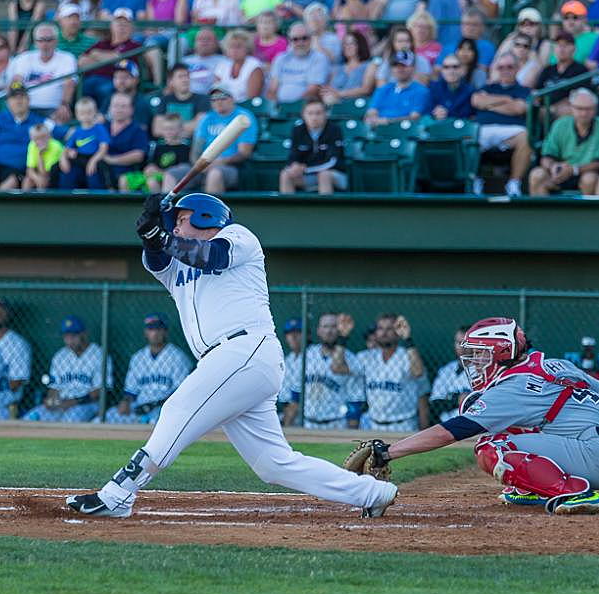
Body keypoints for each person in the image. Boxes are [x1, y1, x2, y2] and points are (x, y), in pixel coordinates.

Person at [65, 192, 399, 518]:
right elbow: (157, 258)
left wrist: (162, 236)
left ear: (205, 217)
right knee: (273, 464)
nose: (176, 228)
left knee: (178, 409)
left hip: (244, 350)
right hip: (229, 362)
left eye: (181, 220)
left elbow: (211, 257)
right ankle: (372, 493)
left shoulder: (238, 237)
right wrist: (152, 233)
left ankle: (118, 493)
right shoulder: (176, 265)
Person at [349, 317, 599, 514]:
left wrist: (388, 452)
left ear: (500, 354)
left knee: (490, 447)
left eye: (480, 354)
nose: (475, 362)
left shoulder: (512, 386)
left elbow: (451, 431)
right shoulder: (552, 363)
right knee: (510, 430)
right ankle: (535, 487)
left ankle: (576, 493)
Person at [163, 85, 258, 193]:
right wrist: (200, 166)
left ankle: (210, 210)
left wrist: (220, 162)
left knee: (214, 174)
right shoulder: (207, 118)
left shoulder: (243, 117)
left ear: (232, 98)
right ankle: (166, 208)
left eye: (222, 97)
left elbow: (244, 153)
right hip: (203, 166)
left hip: (233, 167)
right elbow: (196, 150)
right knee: (171, 174)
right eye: (214, 99)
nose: (218, 102)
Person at [103, 314, 193, 424]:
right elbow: (131, 391)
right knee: (108, 416)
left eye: (158, 329)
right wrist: (125, 402)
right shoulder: (138, 357)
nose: (154, 333)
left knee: (156, 421)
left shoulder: (178, 357)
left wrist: (153, 405)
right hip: (139, 406)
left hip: (165, 407)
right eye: (151, 329)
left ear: (165, 332)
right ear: (145, 332)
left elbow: (180, 393)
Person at [25, 315, 113, 423]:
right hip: (61, 403)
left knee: (70, 419)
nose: (69, 340)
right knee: (31, 417)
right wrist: (51, 400)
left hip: (86, 404)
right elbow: (54, 388)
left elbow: (101, 390)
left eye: (73, 336)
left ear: (84, 334)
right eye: (66, 336)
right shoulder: (60, 356)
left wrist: (74, 402)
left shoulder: (99, 354)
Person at [471, 52, 533, 197]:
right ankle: (474, 181)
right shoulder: (488, 87)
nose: (505, 71)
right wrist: (506, 100)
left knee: (526, 137)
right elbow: (476, 101)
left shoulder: (524, 90)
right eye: (501, 67)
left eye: (510, 67)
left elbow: (519, 108)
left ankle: (513, 183)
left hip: (511, 131)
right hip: (483, 130)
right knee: (468, 136)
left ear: (518, 68)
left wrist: (490, 104)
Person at [529, 88, 599, 196]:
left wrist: (574, 170)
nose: (584, 113)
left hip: (586, 173)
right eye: (579, 108)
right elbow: (547, 156)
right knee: (537, 175)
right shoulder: (560, 124)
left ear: (595, 109)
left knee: (590, 179)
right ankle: (542, 213)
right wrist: (553, 167)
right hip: (559, 173)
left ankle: (586, 213)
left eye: (588, 109)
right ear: (571, 108)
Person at [357, 314, 428, 432]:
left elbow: (418, 372)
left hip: (403, 425)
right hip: (374, 424)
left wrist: (407, 339)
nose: (384, 333)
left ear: (397, 332)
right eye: (380, 328)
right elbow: (338, 368)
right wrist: (342, 337)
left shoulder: (407, 355)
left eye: (389, 329)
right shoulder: (366, 357)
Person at [296, 312, 366, 430]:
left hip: (337, 423)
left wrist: (352, 431)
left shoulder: (352, 359)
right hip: (307, 422)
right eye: (325, 327)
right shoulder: (306, 355)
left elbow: (355, 400)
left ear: (340, 330)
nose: (329, 331)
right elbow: (295, 395)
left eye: (333, 327)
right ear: (318, 330)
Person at [10, 23, 78, 123]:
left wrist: (64, 104)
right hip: (26, 108)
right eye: (41, 40)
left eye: (49, 40)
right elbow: (16, 81)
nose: (45, 44)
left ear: (56, 41)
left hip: (53, 108)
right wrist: (18, 104)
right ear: (35, 42)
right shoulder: (24, 58)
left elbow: (69, 83)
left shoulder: (67, 58)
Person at [279, 98, 347, 194]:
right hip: (308, 175)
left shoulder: (334, 130)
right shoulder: (297, 130)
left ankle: (324, 208)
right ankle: (288, 208)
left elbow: (332, 162)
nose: (314, 117)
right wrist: (294, 165)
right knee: (285, 174)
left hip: (335, 174)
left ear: (325, 114)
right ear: (303, 115)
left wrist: (305, 169)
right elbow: (293, 155)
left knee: (324, 175)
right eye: (310, 113)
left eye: (318, 113)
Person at [79, 8, 143, 107]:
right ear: (112, 26)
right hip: (91, 79)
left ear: (131, 28)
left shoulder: (133, 45)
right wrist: (109, 57)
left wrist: (96, 55)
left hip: (115, 81)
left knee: (104, 89)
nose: (121, 28)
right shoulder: (103, 43)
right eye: (118, 24)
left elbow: (116, 58)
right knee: (83, 86)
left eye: (125, 25)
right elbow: (82, 61)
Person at [0, 298, 32, 418]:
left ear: (9, 313)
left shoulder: (18, 344)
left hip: (4, 403)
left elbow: (16, 383)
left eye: (2, 308)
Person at [124, 113, 190, 192]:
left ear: (180, 129)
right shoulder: (157, 146)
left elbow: (181, 169)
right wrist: (149, 168)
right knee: (124, 179)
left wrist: (160, 172)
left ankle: (158, 203)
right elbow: (151, 163)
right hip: (154, 175)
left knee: (151, 182)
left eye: (171, 129)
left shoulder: (185, 148)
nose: (168, 131)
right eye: (165, 129)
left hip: (169, 178)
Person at [268, 22, 331, 104]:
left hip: (305, 107)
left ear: (311, 39)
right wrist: (275, 106)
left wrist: (293, 106)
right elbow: (273, 89)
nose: (300, 42)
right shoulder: (281, 58)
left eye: (304, 38)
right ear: (290, 41)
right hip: (279, 106)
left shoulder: (319, 58)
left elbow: (313, 90)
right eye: (295, 39)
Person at [364, 50, 431, 126]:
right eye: (395, 65)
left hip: (407, 132)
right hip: (379, 132)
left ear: (413, 67)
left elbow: (414, 118)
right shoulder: (384, 89)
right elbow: (371, 112)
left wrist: (388, 121)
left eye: (403, 65)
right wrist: (372, 119)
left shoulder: (421, 91)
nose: (399, 69)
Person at [59, 97, 111, 190]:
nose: (86, 116)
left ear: (95, 112)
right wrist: (63, 159)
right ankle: (66, 199)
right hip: (80, 159)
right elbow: (66, 149)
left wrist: (93, 161)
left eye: (89, 112)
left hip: (95, 158)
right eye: (82, 113)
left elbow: (104, 148)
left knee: (94, 177)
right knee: (68, 175)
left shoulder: (99, 128)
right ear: (77, 115)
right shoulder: (76, 131)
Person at [535, 31, 590, 117]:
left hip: (565, 110)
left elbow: (579, 95)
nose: (561, 49)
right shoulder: (548, 69)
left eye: (566, 45)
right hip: (544, 109)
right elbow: (537, 91)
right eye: (558, 45)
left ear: (574, 48)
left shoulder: (581, 70)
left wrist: (553, 108)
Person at [102, 92, 150, 188]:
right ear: (109, 108)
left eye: (123, 106)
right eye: (115, 106)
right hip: (101, 173)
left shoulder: (137, 130)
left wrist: (112, 160)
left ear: (131, 110)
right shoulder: (102, 128)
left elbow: (138, 155)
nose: (119, 110)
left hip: (125, 175)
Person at [495, 7, 552, 84]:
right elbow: (497, 61)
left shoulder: (544, 44)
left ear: (539, 26)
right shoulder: (512, 40)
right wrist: (510, 40)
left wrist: (532, 46)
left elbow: (542, 70)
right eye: (523, 24)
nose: (527, 27)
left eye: (532, 24)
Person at [152, 63, 211, 139]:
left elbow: (200, 125)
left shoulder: (202, 99)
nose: (185, 80)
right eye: (180, 77)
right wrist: (183, 130)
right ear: (171, 81)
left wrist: (169, 129)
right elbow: (156, 130)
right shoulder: (165, 100)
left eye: (187, 76)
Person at [428, 326, 471, 424]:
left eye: (467, 343)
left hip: (472, 427)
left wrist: (449, 399)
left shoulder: (483, 370)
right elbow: (435, 404)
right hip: (446, 426)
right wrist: (457, 400)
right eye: (459, 343)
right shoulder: (446, 370)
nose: (462, 347)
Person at [321, 31, 377, 105]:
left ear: (360, 45)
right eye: (345, 44)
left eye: (352, 43)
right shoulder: (336, 68)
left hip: (358, 105)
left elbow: (366, 89)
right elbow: (329, 89)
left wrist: (339, 94)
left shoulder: (370, 65)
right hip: (334, 104)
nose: (348, 47)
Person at [99, 59, 153, 132]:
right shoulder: (110, 97)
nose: (120, 81)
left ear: (136, 80)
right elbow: (99, 120)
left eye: (125, 77)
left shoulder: (141, 102)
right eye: (117, 77)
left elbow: (140, 131)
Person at [211, 30, 264, 103]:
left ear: (247, 48)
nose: (234, 50)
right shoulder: (222, 65)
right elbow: (216, 94)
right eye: (231, 47)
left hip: (246, 108)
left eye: (238, 47)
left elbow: (251, 98)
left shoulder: (254, 66)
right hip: (224, 107)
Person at [440, 7, 494, 74]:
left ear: (482, 27)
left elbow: (484, 69)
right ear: (461, 26)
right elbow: (438, 69)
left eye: (474, 25)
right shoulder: (448, 47)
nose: (470, 28)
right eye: (466, 24)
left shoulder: (487, 47)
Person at [428, 54, 474, 120]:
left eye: (455, 67)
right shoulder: (434, 88)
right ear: (442, 71)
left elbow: (470, 115)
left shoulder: (470, 90)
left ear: (463, 70)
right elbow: (427, 112)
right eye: (446, 67)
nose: (451, 71)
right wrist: (435, 112)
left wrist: (447, 113)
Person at [553, 0, 599, 66]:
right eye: (566, 18)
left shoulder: (596, 38)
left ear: (584, 19)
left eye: (575, 17)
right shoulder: (558, 40)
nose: (570, 21)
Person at [184, 27, 228, 96]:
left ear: (216, 43)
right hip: (188, 98)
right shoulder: (185, 61)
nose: (204, 42)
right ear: (194, 43)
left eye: (209, 39)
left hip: (213, 98)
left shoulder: (224, 61)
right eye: (200, 39)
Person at [23, 122, 64, 190]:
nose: (40, 141)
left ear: (49, 136)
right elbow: (30, 170)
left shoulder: (56, 146)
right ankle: (23, 200)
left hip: (53, 175)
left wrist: (40, 155)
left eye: (43, 137)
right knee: (27, 180)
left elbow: (45, 173)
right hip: (40, 173)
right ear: (31, 138)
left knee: (43, 180)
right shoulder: (32, 145)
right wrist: (37, 178)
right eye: (36, 138)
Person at [278, 317, 303, 427]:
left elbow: (296, 399)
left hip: (304, 414)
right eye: (289, 333)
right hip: (287, 411)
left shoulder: (312, 356)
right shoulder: (287, 361)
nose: (293, 337)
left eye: (298, 332)